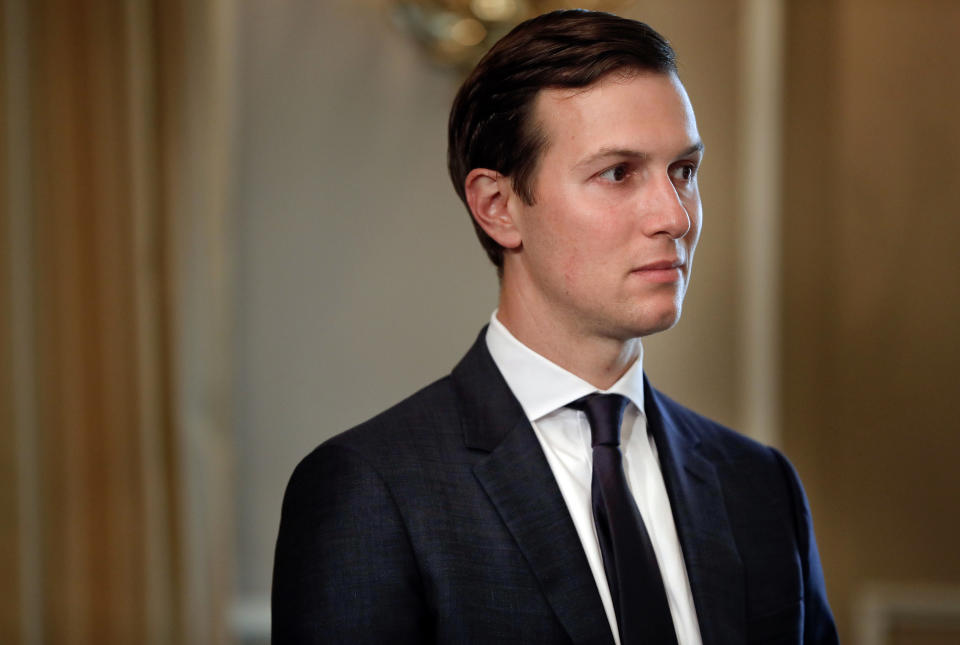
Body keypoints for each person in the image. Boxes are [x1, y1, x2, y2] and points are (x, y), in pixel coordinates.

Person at [272, 10, 838, 645]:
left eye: (683, 171)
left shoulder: (759, 484)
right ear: (498, 207)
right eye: (618, 173)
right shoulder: (371, 491)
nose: (674, 216)